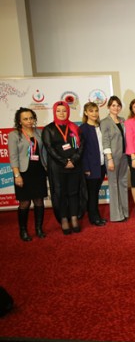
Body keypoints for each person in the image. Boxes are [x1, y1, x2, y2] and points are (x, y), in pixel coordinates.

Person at [42, 101, 85, 235]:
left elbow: (81, 146)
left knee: (73, 192)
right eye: (58, 111)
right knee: (60, 194)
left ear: (68, 112)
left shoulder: (75, 128)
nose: (61, 113)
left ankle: (74, 217)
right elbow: (49, 148)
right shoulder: (48, 129)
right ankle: (64, 219)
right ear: (54, 112)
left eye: (64, 110)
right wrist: (64, 161)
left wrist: (73, 160)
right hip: (57, 167)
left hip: (74, 166)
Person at [9, 108, 48, 241]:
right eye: (25, 119)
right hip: (23, 172)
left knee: (39, 201)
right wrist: (17, 175)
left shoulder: (39, 132)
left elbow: (44, 152)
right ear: (19, 121)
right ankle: (23, 230)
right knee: (24, 203)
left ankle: (39, 229)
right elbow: (13, 156)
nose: (29, 121)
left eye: (31, 118)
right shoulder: (14, 135)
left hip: (39, 171)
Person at [80, 102, 108, 227]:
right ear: (85, 113)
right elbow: (82, 151)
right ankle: (94, 218)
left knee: (95, 192)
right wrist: (86, 168)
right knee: (92, 193)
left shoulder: (101, 126)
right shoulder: (83, 129)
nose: (94, 113)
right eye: (91, 111)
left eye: (96, 110)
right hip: (91, 167)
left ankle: (96, 215)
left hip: (101, 165)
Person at [101, 96, 128, 222]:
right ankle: (116, 215)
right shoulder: (105, 122)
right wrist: (109, 159)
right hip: (112, 157)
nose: (116, 108)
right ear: (108, 107)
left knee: (123, 183)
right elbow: (105, 141)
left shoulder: (122, 120)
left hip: (124, 156)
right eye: (113, 105)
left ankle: (124, 212)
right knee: (113, 185)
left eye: (118, 105)